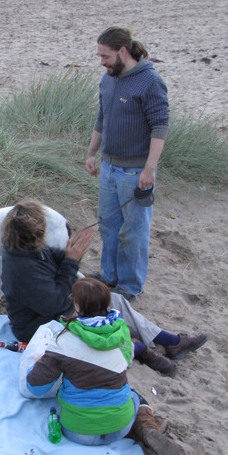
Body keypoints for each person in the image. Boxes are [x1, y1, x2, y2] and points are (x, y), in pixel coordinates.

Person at [1, 199, 207, 374]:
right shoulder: (20, 266)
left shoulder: (25, 248)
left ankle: (170, 342)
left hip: (49, 310)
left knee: (112, 298)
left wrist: (70, 254)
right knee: (97, 319)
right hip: (37, 327)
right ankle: (139, 350)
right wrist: (71, 262)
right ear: (35, 233)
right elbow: (54, 303)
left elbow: (55, 264)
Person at [25, 277, 184, 455]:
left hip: (78, 431)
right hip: (120, 428)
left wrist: (39, 362)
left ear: (77, 306)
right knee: (133, 396)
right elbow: (124, 363)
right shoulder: (121, 331)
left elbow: (35, 387)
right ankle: (148, 428)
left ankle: (139, 428)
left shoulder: (63, 341)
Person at [85, 26, 170, 300]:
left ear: (123, 51)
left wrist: (149, 169)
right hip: (109, 167)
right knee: (108, 225)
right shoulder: (108, 79)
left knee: (133, 232)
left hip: (135, 172)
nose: (102, 62)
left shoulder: (150, 81)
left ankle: (130, 287)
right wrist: (91, 153)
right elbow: (101, 119)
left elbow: (160, 127)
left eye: (105, 56)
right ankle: (109, 276)